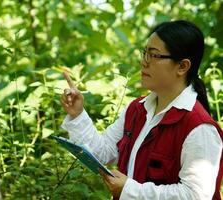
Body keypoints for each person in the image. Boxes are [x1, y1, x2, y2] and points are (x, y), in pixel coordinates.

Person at [60, 20, 223, 200]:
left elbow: (196, 195)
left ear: (182, 66)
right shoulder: (137, 110)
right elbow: (104, 152)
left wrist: (130, 191)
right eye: (145, 53)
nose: (144, 62)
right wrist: (77, 114)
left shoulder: (199, 128)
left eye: (154, 55)